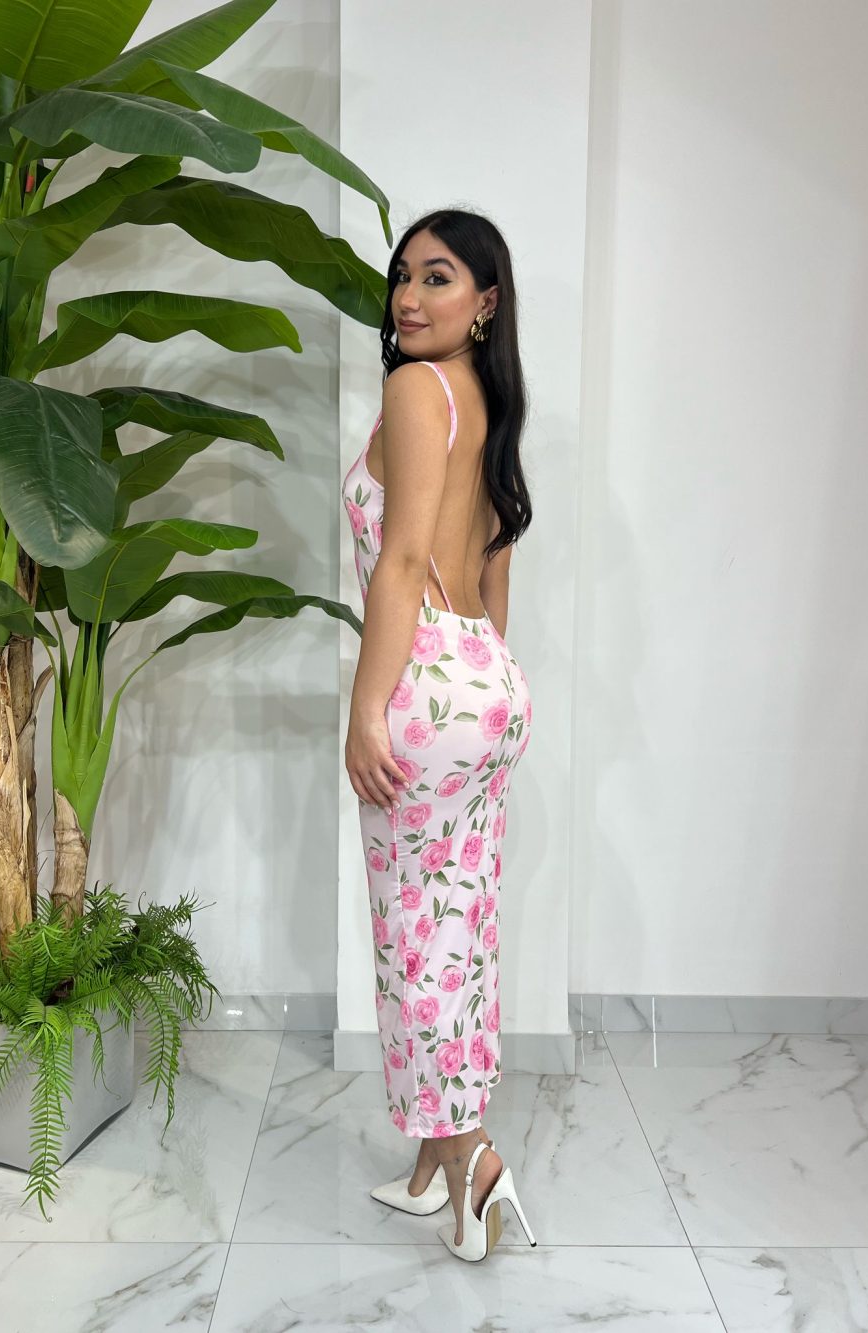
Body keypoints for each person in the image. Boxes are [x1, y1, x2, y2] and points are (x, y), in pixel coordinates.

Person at [342, 208, 536, 1262]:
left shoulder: (417, 389)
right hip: (485, 680)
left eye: (439, 277)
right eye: (403, 276)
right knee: (461, 932)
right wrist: (482, 687)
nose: (409, 297)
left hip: (423, 680)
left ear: (484, 301)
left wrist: (367, 706)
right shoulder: (487, 398)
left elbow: (402, 559)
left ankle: (474, 1160)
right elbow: (493, 560)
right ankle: (429, 1167)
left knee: (417, 945)